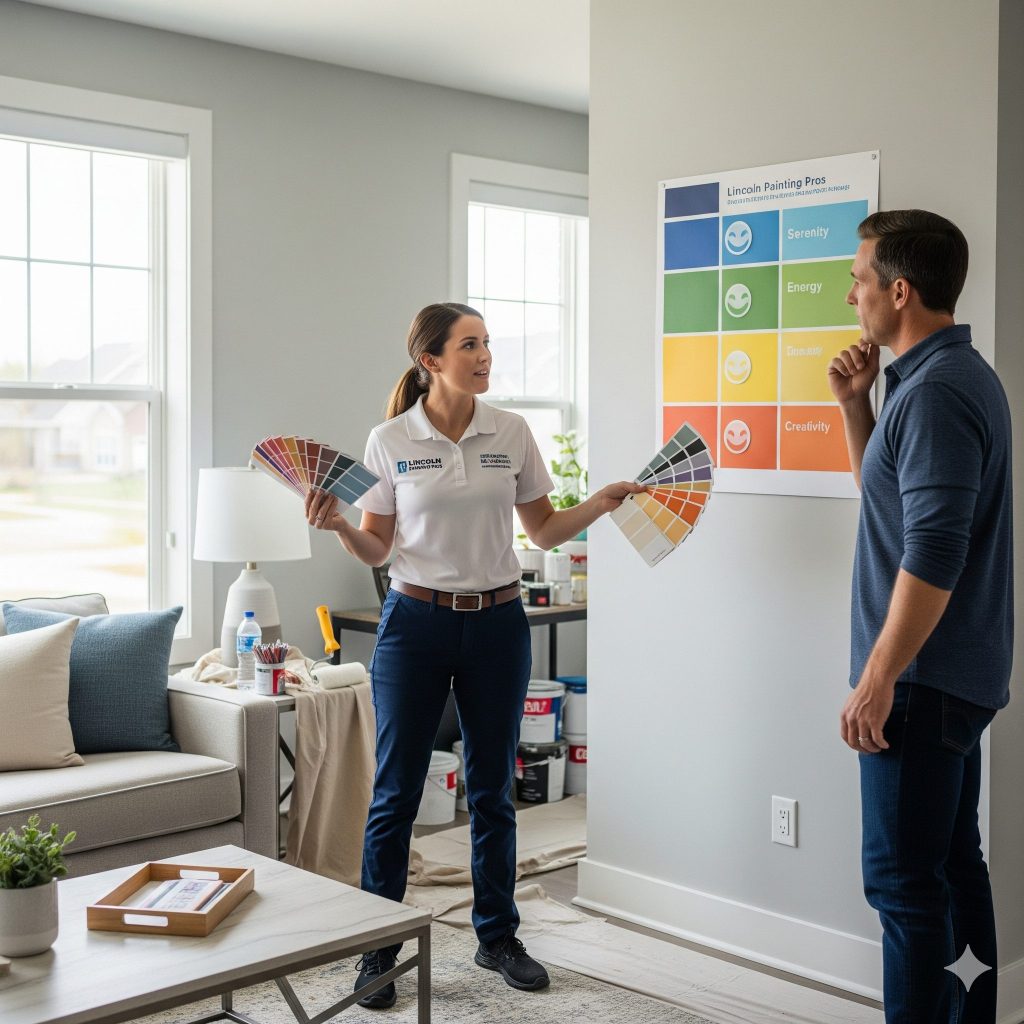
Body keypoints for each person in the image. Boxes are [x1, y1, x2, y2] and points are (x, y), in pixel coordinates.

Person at [305, 302, 643, 1009]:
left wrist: (603, 504)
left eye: (487, 343)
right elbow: (378, 547)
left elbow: (544, 532)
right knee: (396, 789)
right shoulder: (391, 439)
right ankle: (380, 950)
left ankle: (498, 937)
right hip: (414, 624)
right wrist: (337, 524)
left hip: (497, 625)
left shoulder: (511, 432)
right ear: (431, 360)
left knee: (492, 787)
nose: (485, 356)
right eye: (470, 345)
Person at [828, 210, 1013, 1023]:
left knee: (903, 886)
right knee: (950, 865)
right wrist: (854, 403)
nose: (851, 294)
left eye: (861, 279)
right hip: (950, 675)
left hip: (921, 679)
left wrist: (879, 677)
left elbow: (932, 551)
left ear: (899, 291)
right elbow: (889, 498)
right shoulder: (939, 377)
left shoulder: (937, 394)